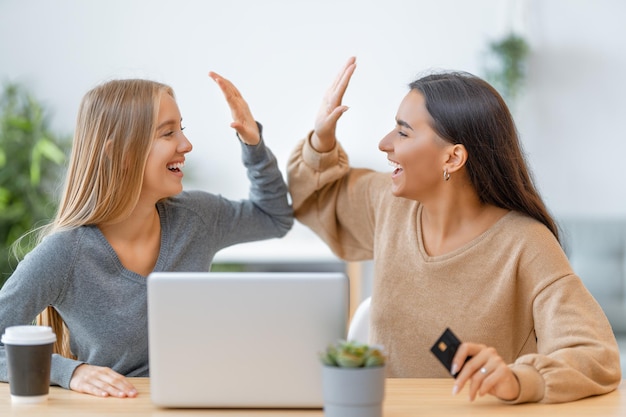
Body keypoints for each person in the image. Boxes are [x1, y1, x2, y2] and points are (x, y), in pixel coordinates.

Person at [287, 57, 621, 404]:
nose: (385, 144)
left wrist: (520, 379)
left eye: (403, 132)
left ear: (452, 158)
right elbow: (311, 199)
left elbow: (595, 354)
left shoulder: (526, 244)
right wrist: (321, 141)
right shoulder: (388, 204)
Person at [0, 73, 293, 398]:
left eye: (182, 129)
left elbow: (273, 218)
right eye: (168, 133)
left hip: (200, 401)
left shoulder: (196, 218)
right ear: (120, 153)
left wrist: (253, 145)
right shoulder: (64, 253)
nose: (186, 144)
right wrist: (70, 372)